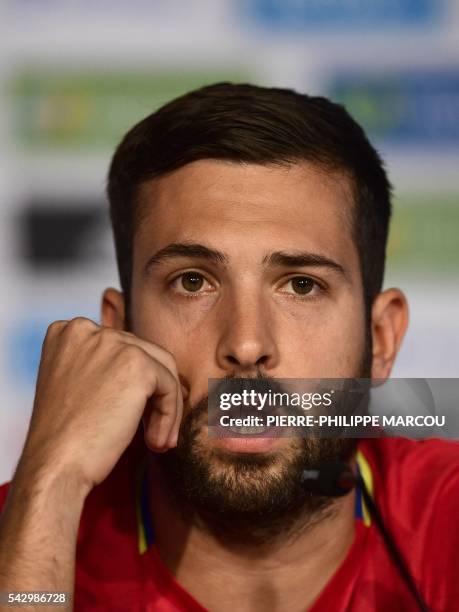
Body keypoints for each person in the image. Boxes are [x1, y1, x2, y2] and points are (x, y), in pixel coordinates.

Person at [0, 83, 457, 612]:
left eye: (302, 285)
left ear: (380, 339)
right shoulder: (29, 529)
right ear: (120, 332)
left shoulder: (448, 515)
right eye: (192, 282)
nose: (246, 344)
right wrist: (52, 485)